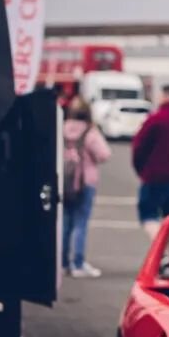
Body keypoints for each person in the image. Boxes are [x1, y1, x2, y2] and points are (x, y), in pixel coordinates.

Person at [131, 84, 169, 271]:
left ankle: (161, 253)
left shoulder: (156, 119)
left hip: (154, 175)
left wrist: (142, 169)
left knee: (148, 215)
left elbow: (139, 147)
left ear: (165, 96)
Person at [62, 97, 111, 278]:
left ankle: (63, 263)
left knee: (65, 222)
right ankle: (78, 263)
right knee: (80, 223)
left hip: (65, 181)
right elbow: (104, 154)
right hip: (85, 181)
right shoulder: (90, 132)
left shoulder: (62, 128)